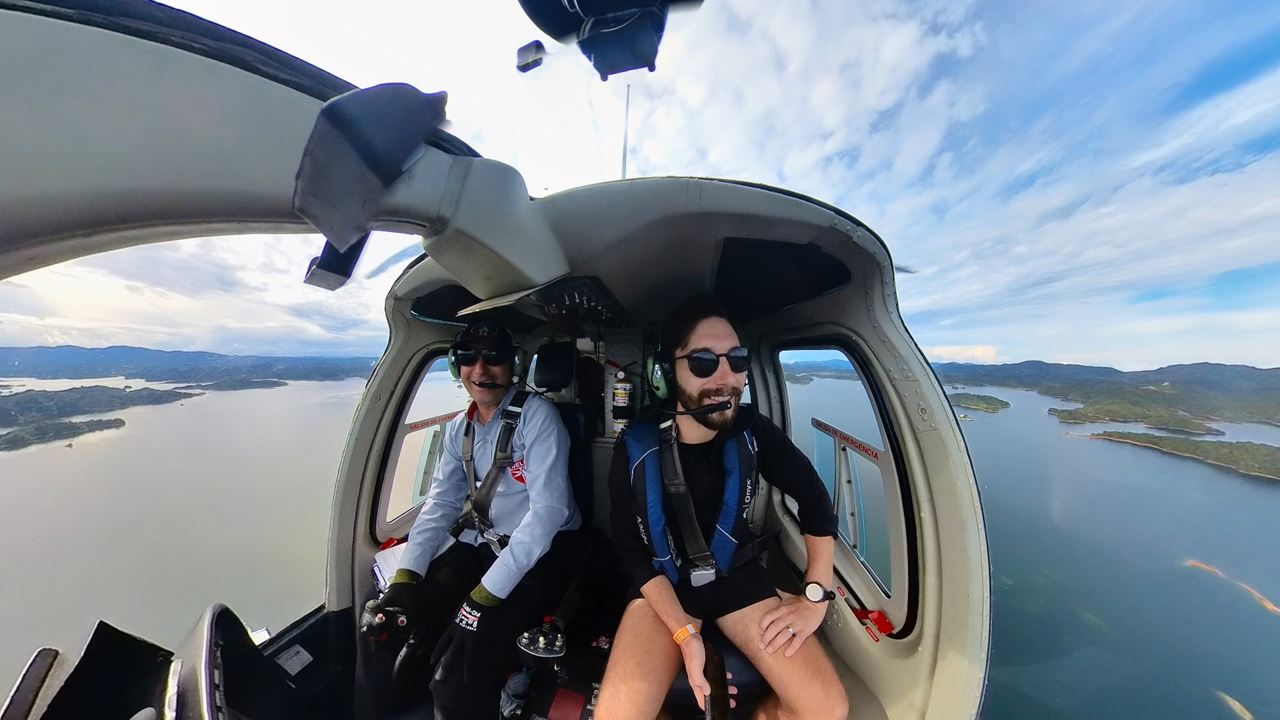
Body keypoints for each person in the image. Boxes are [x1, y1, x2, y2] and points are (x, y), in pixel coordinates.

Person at [594, 296, 849, 720]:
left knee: (826, 710)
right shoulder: (635, 447)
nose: (726, 377)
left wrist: (815, 595)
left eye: (737, 359)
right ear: (666, 373)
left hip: (734, 574)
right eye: (703, 362)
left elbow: (814, 498)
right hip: (663, 584)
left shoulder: (753, 431)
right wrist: (684, 635)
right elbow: (632, 553)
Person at [361, 319, 582, 720]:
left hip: (541, 555)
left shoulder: (539, 418)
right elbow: (440, 505)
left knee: (456, 670)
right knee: (387, 625)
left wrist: (483, 597)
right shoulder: (457, 429)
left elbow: (548, 514)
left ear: (512, 364)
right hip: (483, 545)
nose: (481, 370)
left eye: (494, 357)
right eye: (469, 358)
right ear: (456, 366)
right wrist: (406, 578)